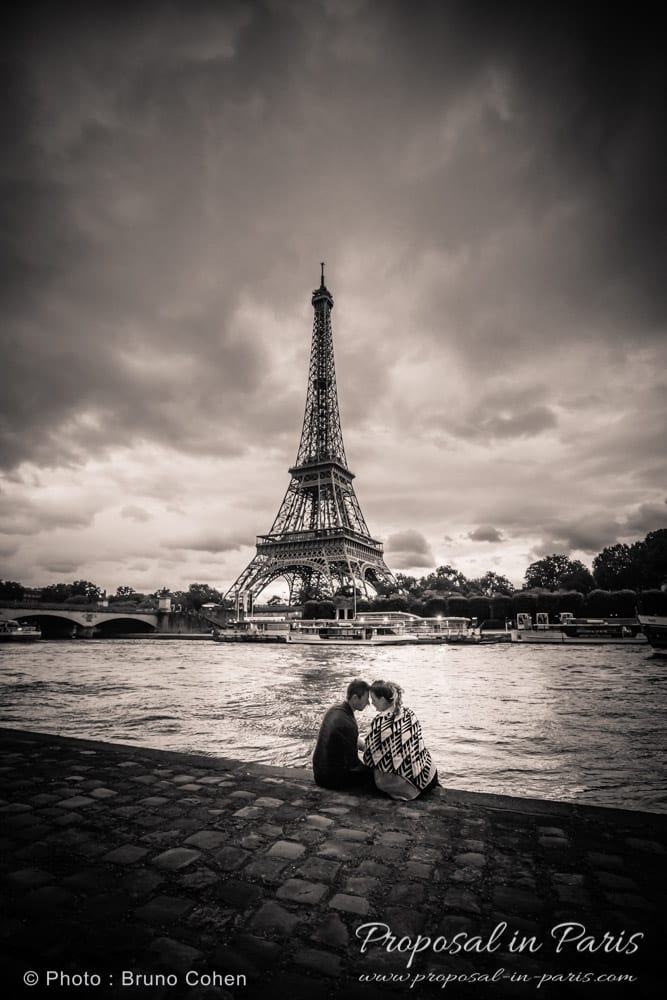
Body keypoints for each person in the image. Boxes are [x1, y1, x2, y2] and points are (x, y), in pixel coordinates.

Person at [362, 680, 439, 800]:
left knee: (371, 773)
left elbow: (369, 758)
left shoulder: (379, 722)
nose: (372, 703)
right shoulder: (409, 713)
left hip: (408, 787)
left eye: (373, 699)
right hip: (429, 776)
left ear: (382, 700)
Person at [312, 678, 374, 789]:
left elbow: (348, 738)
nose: (368, 704)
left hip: (318, 773)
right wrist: (371, 770)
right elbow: (353, 764)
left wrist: (366, 747)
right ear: (355, 698)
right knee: (373, 775)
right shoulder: (348, 723)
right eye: (366, 699)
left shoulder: (334, 710)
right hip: (331, 780)